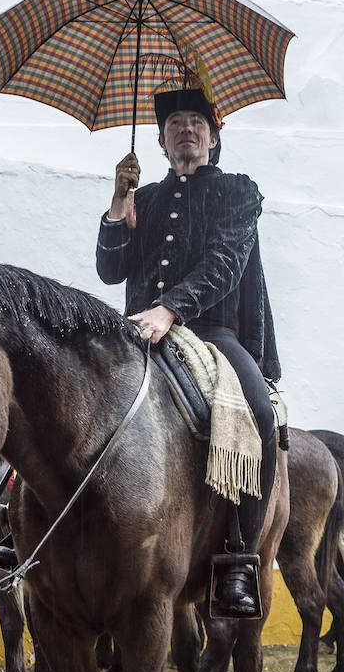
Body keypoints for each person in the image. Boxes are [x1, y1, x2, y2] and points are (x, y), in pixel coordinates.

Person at [96, 83, 281, 618]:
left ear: (213, 140)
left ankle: (239, 562)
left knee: (260, 416)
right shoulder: (144, 200)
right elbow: (110, 271)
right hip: (139, 331)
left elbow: (225, 264)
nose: (187, 129)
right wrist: (119, 202)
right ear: (160, 141)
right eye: (176, 122)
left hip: (213, 333)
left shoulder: (238, 192)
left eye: (197, 123)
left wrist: (170, 309)